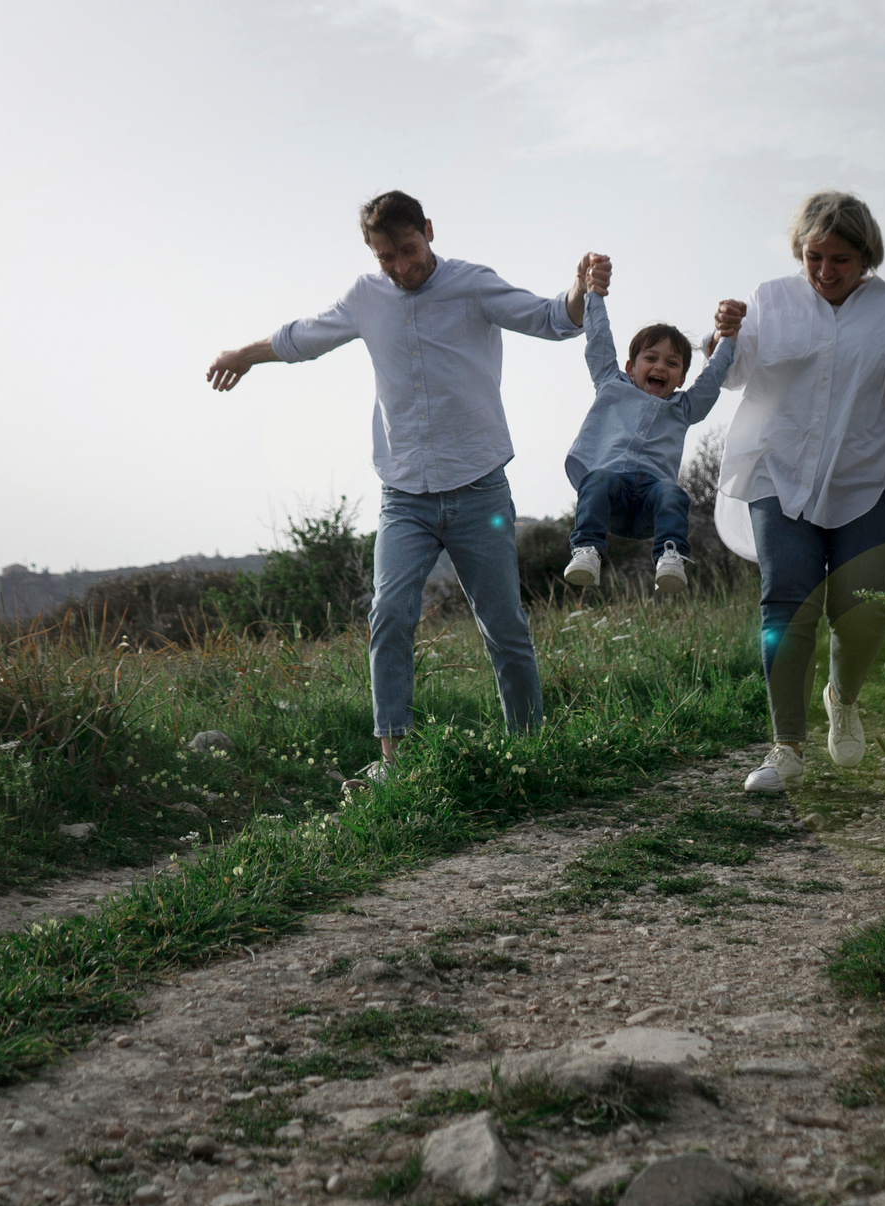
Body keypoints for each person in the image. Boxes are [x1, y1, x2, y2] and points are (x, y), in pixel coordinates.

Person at [206, 190, 607, 771]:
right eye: (386, 257)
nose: (401, 267)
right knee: (389, 614)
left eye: (408, 249)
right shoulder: (366, 298)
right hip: (405, 499)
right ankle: (393, 762)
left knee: (503, 626)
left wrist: (579, 290)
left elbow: (551, 319)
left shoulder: (472, 284)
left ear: (429, 231)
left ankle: (530, 753)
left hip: (479, 491)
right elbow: (305, 337)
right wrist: (246, 353)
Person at [712, 190, 885, 795]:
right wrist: (727, 336)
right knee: (787, 600)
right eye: (815, 256)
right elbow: (736, 375)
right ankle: (785, 746)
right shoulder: (773, 298)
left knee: (863, 610)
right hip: (778, 471)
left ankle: (842, 701)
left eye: (839, 260)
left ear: (866, 257)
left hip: (862, 477)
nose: (824, 271)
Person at [560, 291, 743, 594]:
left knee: (672, 492)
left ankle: (670, 556)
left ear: (682, 377)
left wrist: (729, 339)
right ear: (631, 368)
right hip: (610, 500)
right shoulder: (611, 383)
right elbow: (599, 340)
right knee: (599, 478)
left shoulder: (684, 407)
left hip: (650, 505)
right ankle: (586, 550)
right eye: (651, 358)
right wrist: (593, 293)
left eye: (672, 363)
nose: (660, 367)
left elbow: (711, 379)